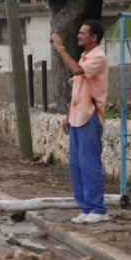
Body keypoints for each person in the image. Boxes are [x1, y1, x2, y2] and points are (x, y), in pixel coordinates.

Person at [51, 20, 109, 225]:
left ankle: (97, 208)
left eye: (83, 33)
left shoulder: (98, 58)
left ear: (93, 38)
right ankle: (85, 207)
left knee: (89, 164)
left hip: (90, 116)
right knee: (76, 166)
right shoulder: (84, 57)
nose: (79, 35)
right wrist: (68, 117)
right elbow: (77, 91)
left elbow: (76, 71)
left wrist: (59, 47)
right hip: (77, 118)